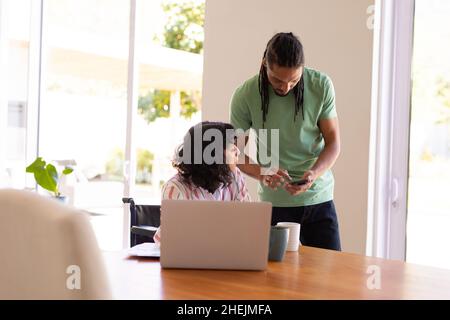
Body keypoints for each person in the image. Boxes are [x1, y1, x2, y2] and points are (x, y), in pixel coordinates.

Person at [230, 32, 341, 250]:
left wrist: (313, 174)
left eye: (294, 80)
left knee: (328, 278)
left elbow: (333, 142)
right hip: (275, 204)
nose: (285, 87)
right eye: (277, 80)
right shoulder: (245, 95)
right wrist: (262, 172)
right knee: (274, 280)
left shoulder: (321, 86)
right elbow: (230, 153)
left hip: (319, 200)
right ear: (264, 65)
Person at [154, 121, 251, 243]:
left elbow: (246, 221)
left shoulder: (236, 176)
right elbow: (174, 241)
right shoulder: (175, 188)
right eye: (232, 146)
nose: (238, 151)